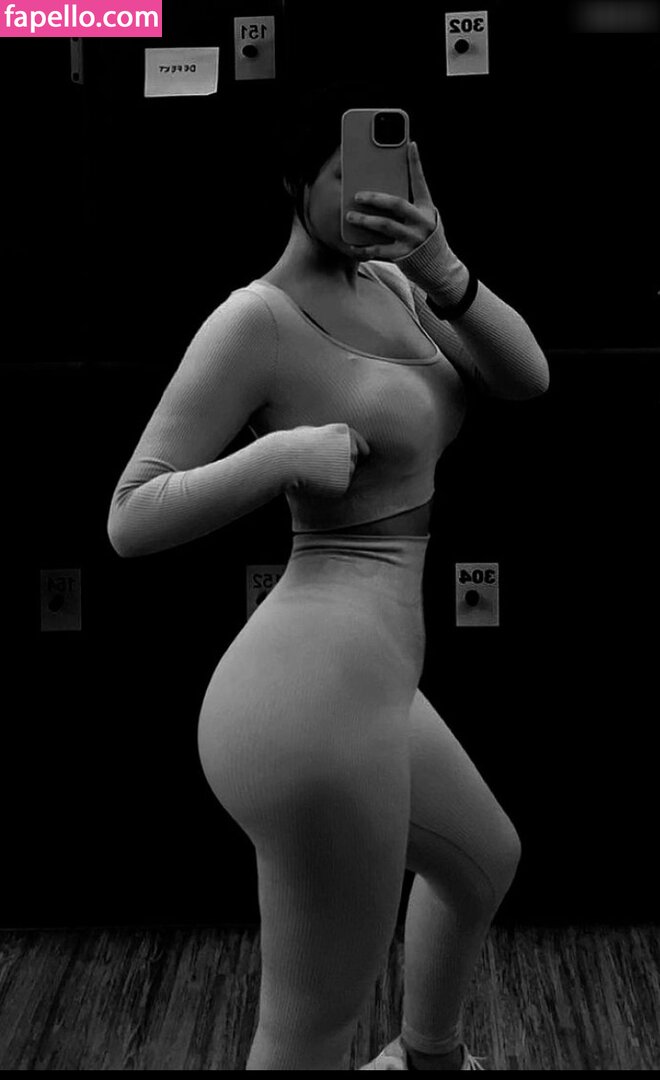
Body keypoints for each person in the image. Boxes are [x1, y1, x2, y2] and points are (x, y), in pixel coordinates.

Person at [107, 79, 550, 1071]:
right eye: (342, 177)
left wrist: (444, 267)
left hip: (370, 684)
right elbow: (130, 515)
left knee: (483, 862)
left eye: (384, 172)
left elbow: (527, 378)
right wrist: (281, 455)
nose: (368, 198)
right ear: (293, 184)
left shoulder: (398, 285)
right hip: (306, 704)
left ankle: (427, 1059)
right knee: (309, 1029)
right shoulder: (255, 320)